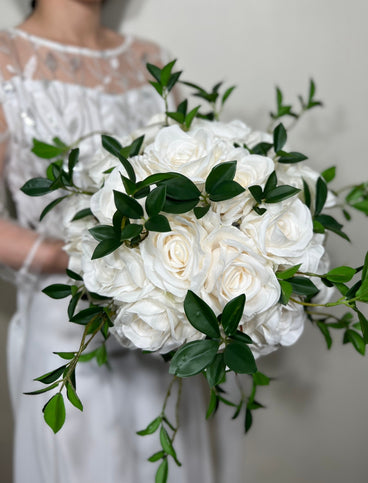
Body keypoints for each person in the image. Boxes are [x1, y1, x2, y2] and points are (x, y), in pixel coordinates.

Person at [0, 1, 242, 482]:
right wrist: (79, 260)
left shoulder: (152, 60)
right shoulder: (6, 59)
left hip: (164, 328)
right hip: (69, 325)